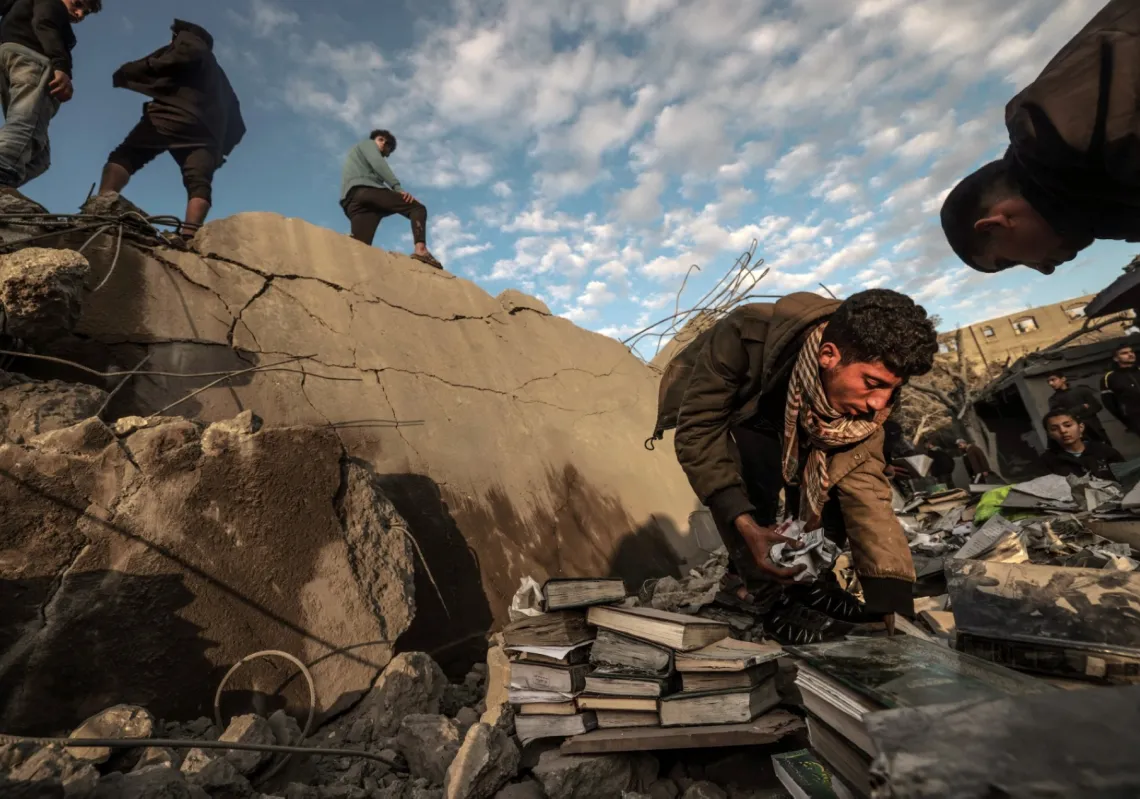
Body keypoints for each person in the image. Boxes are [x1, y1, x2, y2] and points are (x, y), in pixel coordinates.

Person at [650, 289, 938, 644]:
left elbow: (866, 491)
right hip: (746, 411)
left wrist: (890, 599)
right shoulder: (745, 335)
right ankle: (761, 596)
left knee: (835, 484)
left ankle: (809, 582)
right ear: (828, 355)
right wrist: (746, 527)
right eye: (872, 384)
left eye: (892, 389)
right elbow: (700, 432)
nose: (879, 402)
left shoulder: (871, 397)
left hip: (809, 419)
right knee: (750, 487)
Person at [940, 0, 1140, 275]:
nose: (1044, 269)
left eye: (1010, 262)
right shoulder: (1096, 201)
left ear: (996, 223)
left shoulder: (1056, 128)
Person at [95, 20, 245, 242]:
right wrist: (220, 152)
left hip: (173, 115)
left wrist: (138, 69)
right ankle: (188, 237)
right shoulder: (222, 81)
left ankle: (100, 207)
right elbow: (238, 125)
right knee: (199, 182)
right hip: (207, 137)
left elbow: (184, 53)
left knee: (126, 155)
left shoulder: (191, 42)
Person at [0, 0, 101, 188]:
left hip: (9, 55)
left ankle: (7, 183)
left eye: (85, 13)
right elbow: (44, 22)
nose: (79, 14)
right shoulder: (51, 3)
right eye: (78, 4)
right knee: (26, 125)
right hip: (33, 59)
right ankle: (3, 170)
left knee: (40, 157)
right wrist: (61, 66)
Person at [340, 130, 442, 269]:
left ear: (388, 152)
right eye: (381, 139)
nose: (383, 144)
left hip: (353, 202)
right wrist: (397, 188)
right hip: (366, 191)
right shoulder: (367, 145)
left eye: (387, 144)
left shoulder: (360, 158)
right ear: (373, 140)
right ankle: (421, 251)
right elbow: (378, 163)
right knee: (417, 207)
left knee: (360, 247)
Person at [1041, 409, 1123, 481]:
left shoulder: (1103, 450)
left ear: (1081, 427)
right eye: (1054, 429)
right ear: (1049, 434)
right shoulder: (1047, 461)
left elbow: (1127, 475)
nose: (1063, 431)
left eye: (1068, 425)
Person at [1046, 372, 1108, 443]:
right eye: (1048, 382)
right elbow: (1060, 416)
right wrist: (1082, 407)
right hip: (1077, 433)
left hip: (1095, 428)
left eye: (1053, 380)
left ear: (1063, 379)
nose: (1050, 383)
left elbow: (1097, 406)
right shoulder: (1054, 399)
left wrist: (1075, 414)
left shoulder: (1080, 390)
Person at [1103, 344, 1140, 435]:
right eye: (1124, 353)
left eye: (1131, 351)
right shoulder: (1109, 378)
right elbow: (1110, 404)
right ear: (1116, 358)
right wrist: (1129, 421)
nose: (1130, 354)